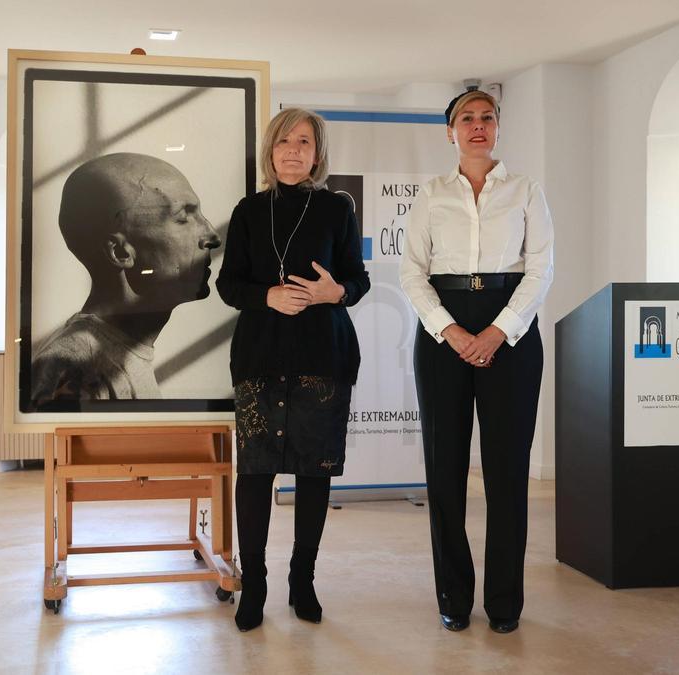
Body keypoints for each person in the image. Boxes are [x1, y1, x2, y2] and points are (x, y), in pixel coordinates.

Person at [399, 89, 554, 635]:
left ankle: (505, 602)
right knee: (444, 473)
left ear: (498, 127)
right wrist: (451, 331)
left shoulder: (526, 190)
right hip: (444, 329)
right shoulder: (431, 194)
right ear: (450, 131)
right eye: (467, 118)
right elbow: (412, 272)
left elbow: (540, 271)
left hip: (509, 330)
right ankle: (453, 598)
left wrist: (495, 331)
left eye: (488, 117)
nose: (478, 126)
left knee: (508, 473)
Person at [216, 107, 369, 632]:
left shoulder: (336, 209)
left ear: (317, 152)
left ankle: (302, 580)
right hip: (260, 358)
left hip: (322, 358)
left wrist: (337, 292)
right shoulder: (249, 211)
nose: (292, 151)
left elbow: (358, 280)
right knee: (255, 474)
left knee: (313, 471)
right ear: (270, 149)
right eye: (284, 141)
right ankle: (253, 585)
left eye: (304, 142)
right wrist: (268, 296)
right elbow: (228, 285)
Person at [30, 153, 221, 404]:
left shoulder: (119, 352)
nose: (213, 236)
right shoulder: (74, 366)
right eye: (183, 218)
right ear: (120, 252)